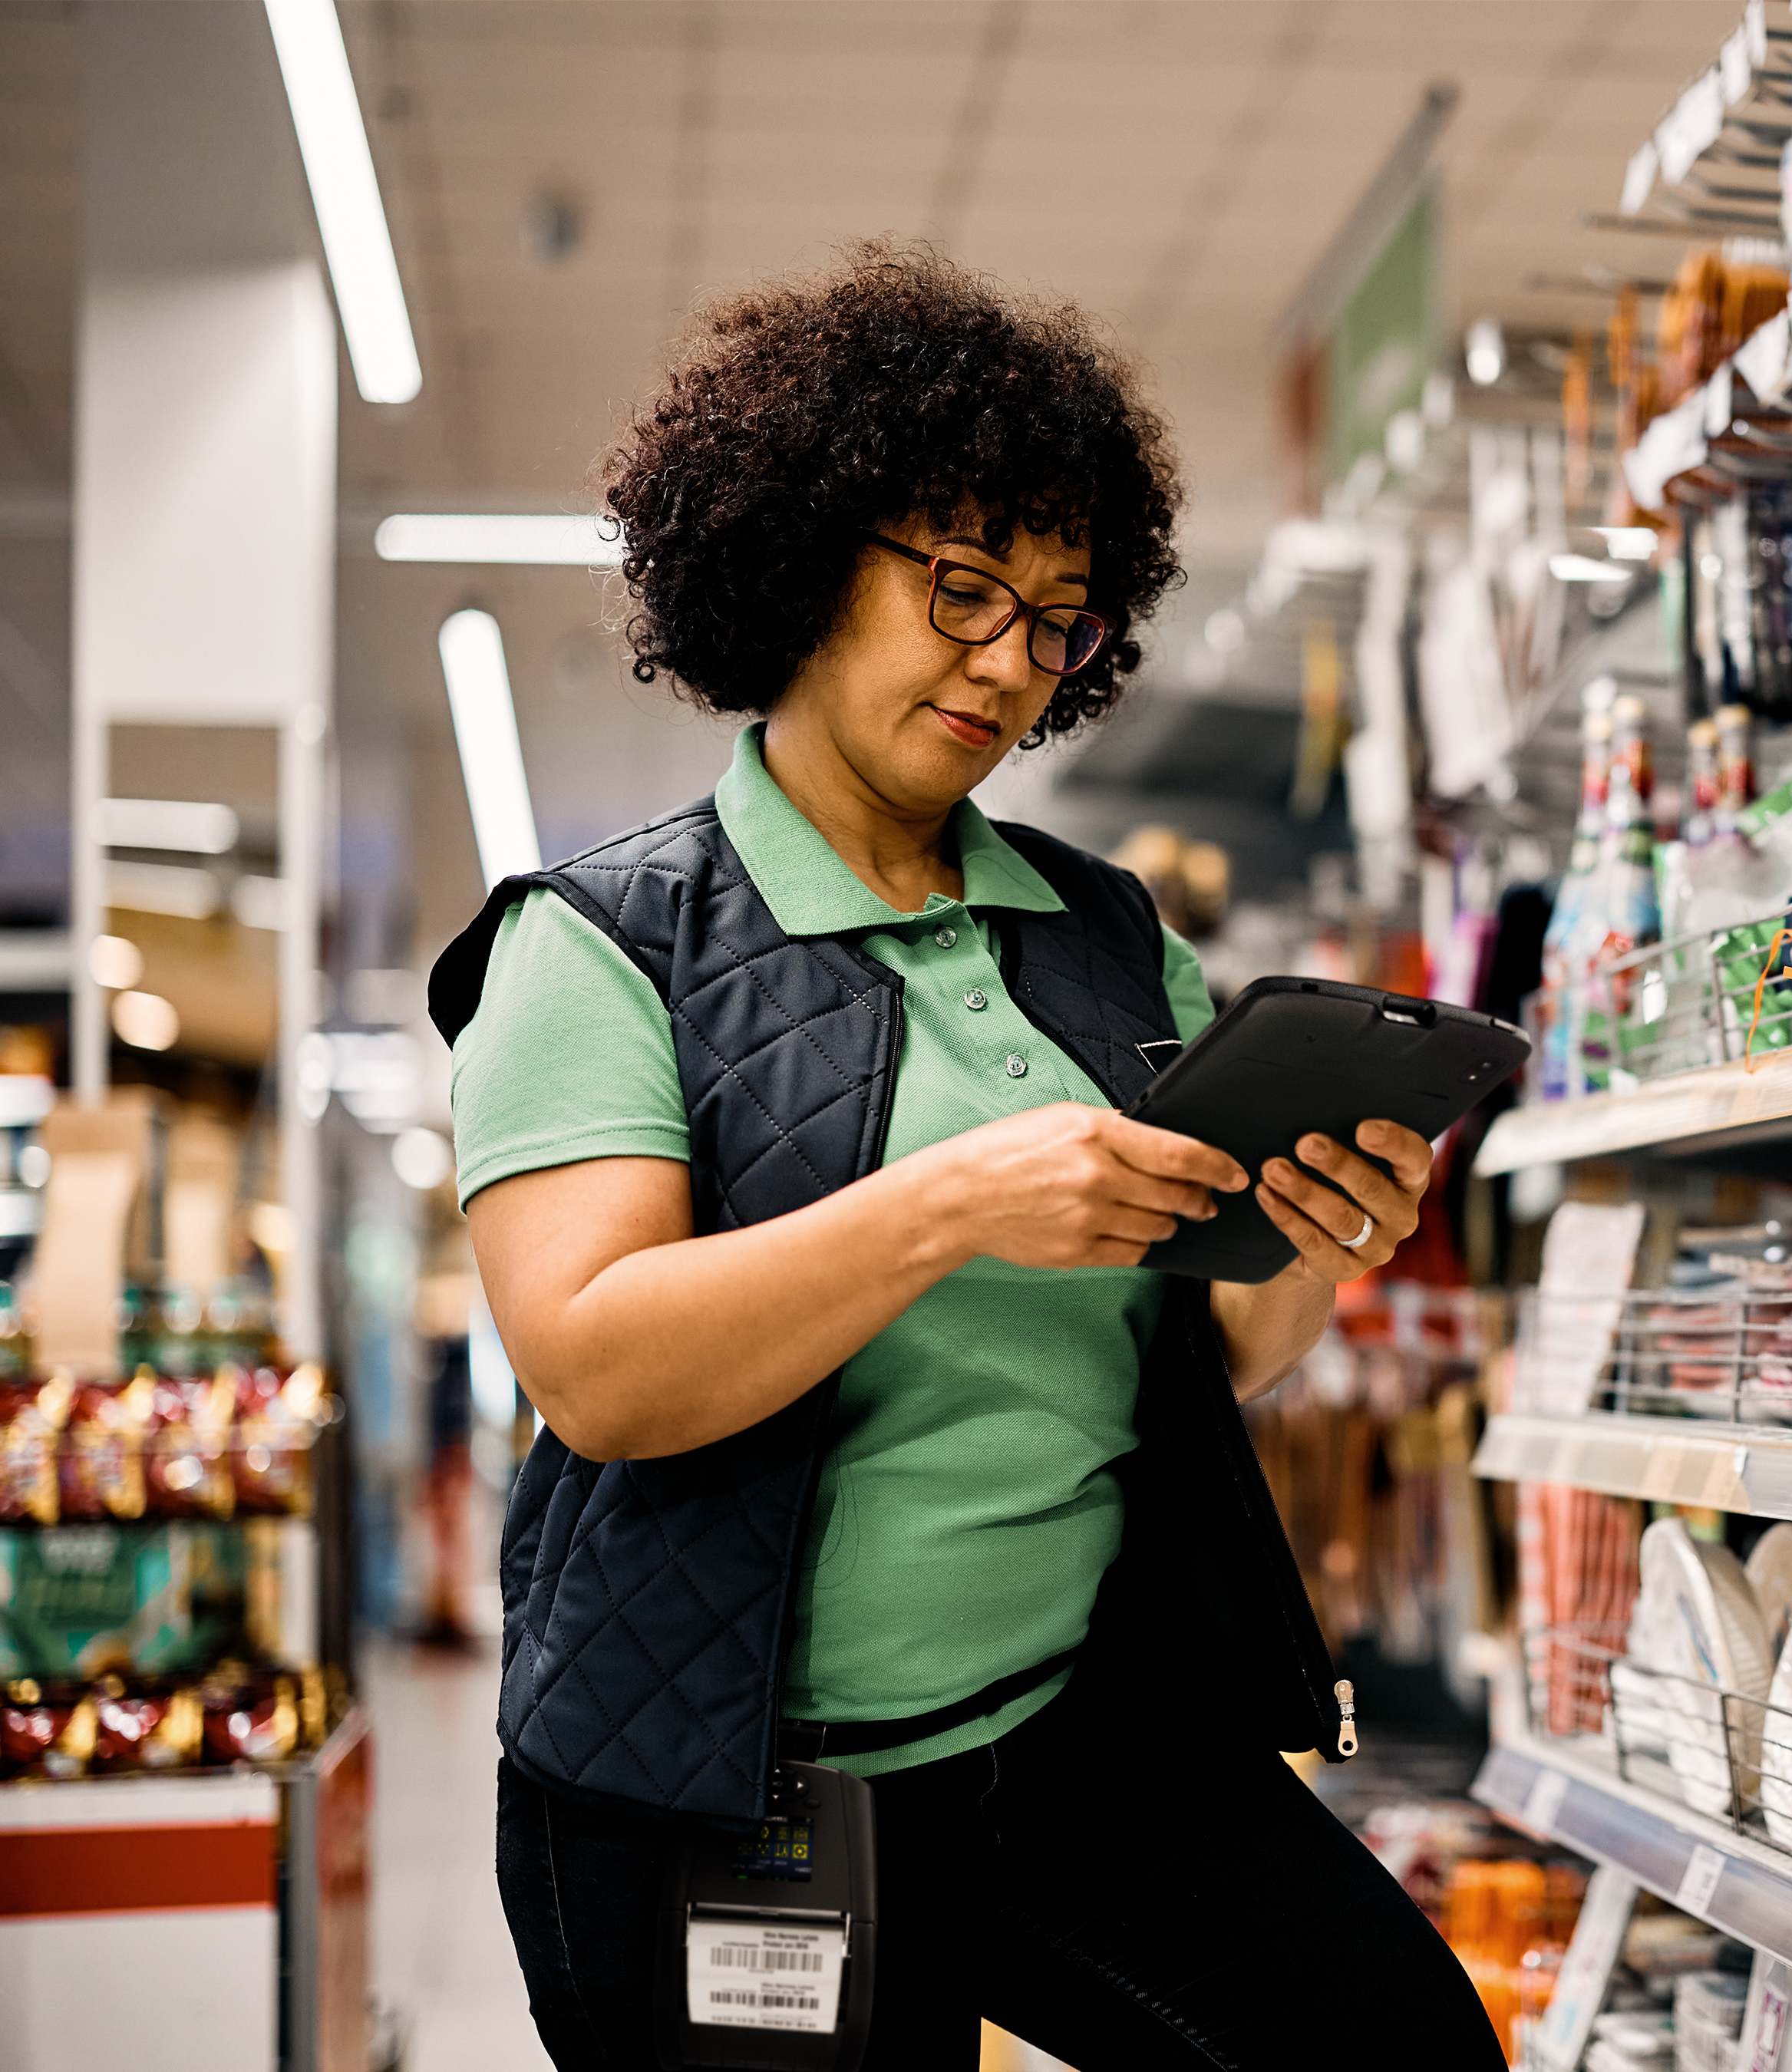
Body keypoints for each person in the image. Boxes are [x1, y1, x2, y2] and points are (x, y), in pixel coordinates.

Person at [431, 243, 1505, 2071]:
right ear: (802, 561)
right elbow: (599, 1369)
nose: (1010, 662)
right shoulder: (607, 943)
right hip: (715, 1790)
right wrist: (948, 1206)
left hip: (1066, 1725)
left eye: (1058, 618)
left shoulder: (1105, 935)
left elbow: (1203, 1352)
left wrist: (1318, 1240)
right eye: (959, 590)